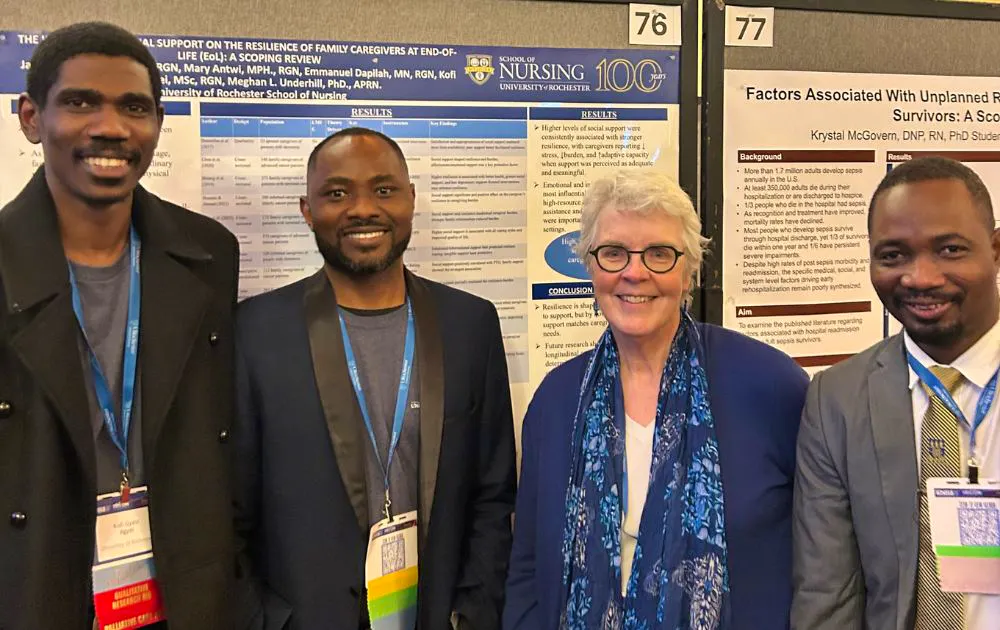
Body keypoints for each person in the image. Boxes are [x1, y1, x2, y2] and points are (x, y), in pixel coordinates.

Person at [0, 22, 240, 630]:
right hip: (36, 582)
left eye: (134, 107)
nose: (111, 127)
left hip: (182, 587)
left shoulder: (208, 254)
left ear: (157, 123)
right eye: (80, 102)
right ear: (31, 117)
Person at [233, 127, 516, 629]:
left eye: (384, 190)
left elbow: (492, 493)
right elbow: (230, 509)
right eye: (337, 193)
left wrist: (473, 612)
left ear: (411, 199)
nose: (363, 208)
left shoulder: (470, 325)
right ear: (306, 210)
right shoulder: (254, 331)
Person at [504, 169, 808, 629]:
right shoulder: (556, 401)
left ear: (689, 272)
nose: (634, 272)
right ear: (591, 267)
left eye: (659, 254)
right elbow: (527, 567)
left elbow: (821, 564)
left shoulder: (770, 385)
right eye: (613, 253)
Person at [792, 156, 1000, 630]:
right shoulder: (837, 402)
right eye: (893, 255)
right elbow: (827, 597)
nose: (920, 277)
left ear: (995, 249)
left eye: (949, 249)